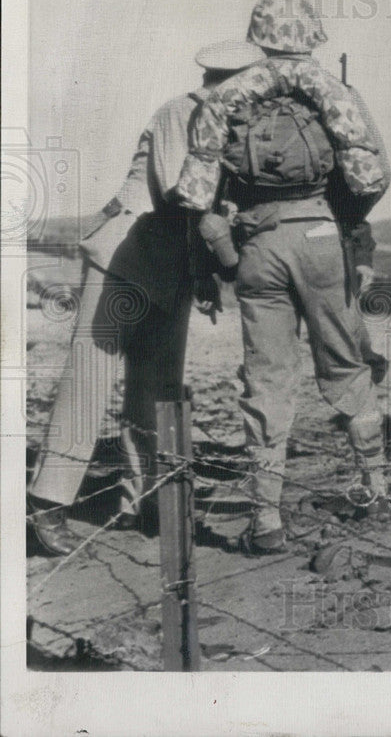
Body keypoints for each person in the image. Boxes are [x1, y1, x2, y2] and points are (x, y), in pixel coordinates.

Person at [171, 0, 391, 554]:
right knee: (344, 363)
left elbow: (197, 193)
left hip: (257, 249)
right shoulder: (334, 92)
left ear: (259, 35)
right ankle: (376, 485)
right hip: (320, 237)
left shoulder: (227, 97)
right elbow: (370, 178)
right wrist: (336, 223)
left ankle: (266, 521)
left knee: (266, 381)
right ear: (311, 36)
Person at [27, 39, 263, 555]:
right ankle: (47, 505)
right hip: (124, 262)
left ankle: (147, 500)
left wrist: (201, 275)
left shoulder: (217, 121)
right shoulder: (183, 114)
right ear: (233, 81)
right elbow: (186, 197)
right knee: (89, 381)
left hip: (169, 269)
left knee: (156, 392)